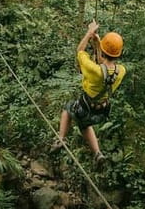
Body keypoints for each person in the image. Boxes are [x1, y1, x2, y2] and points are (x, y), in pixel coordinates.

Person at [51, 20, 126, 167]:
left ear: (104, 52)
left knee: (67, 109)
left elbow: (80, 51)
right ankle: (98, 153)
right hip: (102, 112)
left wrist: (89, 33)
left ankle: (61, 139)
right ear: (119, 54)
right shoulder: (121, 70)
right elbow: (104, 65)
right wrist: (98, 44)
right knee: (85, 126)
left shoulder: (93, 70)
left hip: (85, 108)